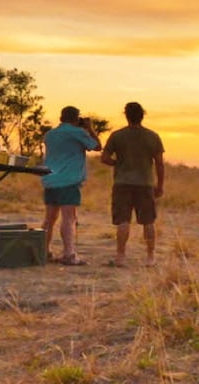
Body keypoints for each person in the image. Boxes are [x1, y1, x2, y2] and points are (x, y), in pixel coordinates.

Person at [100, 101, 165, 267]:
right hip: (145, 183)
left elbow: (105, 158)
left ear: (126, 116)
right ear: (142, 116)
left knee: (123, 221)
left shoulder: (117, 135)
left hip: (123, 182)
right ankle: (150, 256)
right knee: (148, 221)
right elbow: (159, 163)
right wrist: (160, 185)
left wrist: (118, 163)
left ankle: (120, 256)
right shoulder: (152, 136)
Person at [40, 106, 101, 266]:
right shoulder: (78, 133)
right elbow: (97, 146)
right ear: (76, 118)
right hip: (69, 180)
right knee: (69, 218)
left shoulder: (50, 134)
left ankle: (43, 250)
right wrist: (89, 128)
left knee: (49, 218)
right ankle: (69, 253)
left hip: (50, 179)